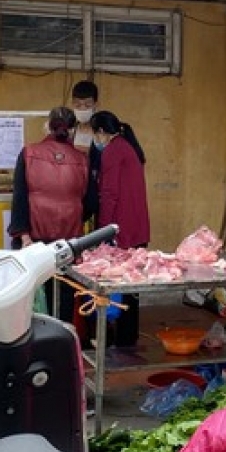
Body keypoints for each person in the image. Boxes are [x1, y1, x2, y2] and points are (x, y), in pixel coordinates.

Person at [8, 106, 94, 321]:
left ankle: (36, 345)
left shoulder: (29, 153)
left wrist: (23, 235)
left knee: (33, 296)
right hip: (68, 240)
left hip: (35, 238)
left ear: (48, 125)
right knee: (64, 295)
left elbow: (19, 196)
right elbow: (91, 201)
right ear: (73, 130)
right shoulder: (82, 159)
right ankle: (62, 342)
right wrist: (74, 217)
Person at [89, 110, 149, 347]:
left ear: (101, 132)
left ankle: (115, 338)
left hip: (121, 228)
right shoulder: (129, 147)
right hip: (136, 225)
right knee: (131, 287)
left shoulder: (113, 151)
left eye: (95, 134)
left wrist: (102, 232)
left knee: (115, 283)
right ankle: (127, 336)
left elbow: (109, 193)